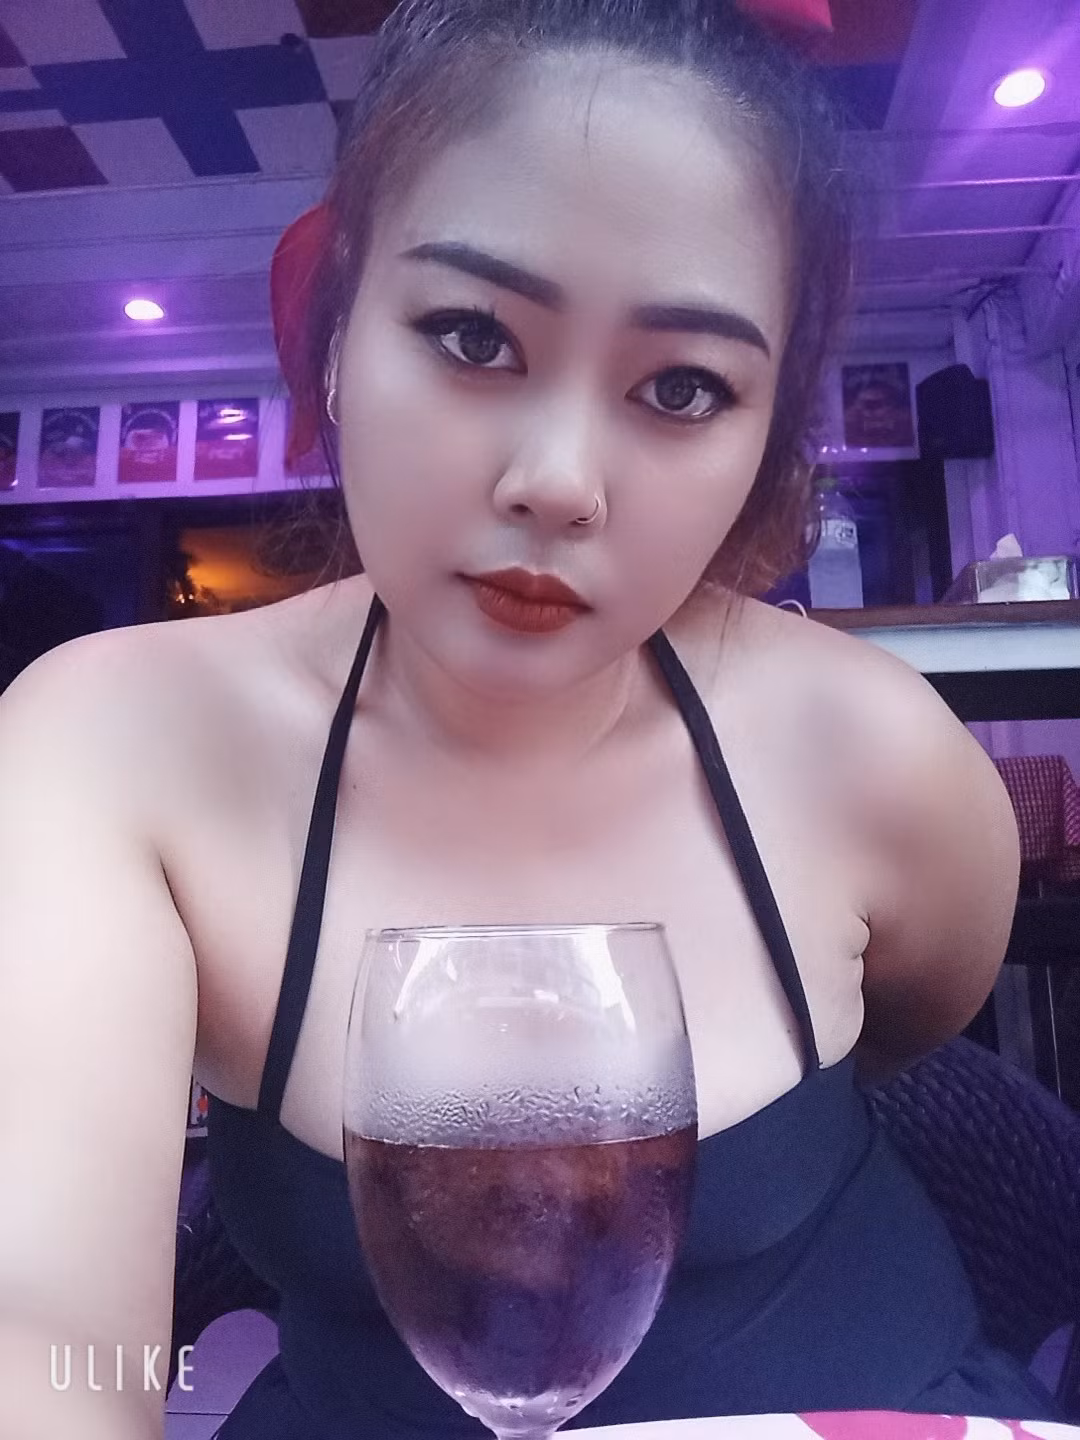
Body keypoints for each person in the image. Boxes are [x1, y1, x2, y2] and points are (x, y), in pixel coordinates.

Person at [0, 0, 1062, 1435]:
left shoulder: (870, 748)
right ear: (333, 340)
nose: (558, 480)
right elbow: (40, 1323)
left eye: (682, 386)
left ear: (766, 434)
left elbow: (923, 1017)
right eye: (472, 335)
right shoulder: (117, 748)